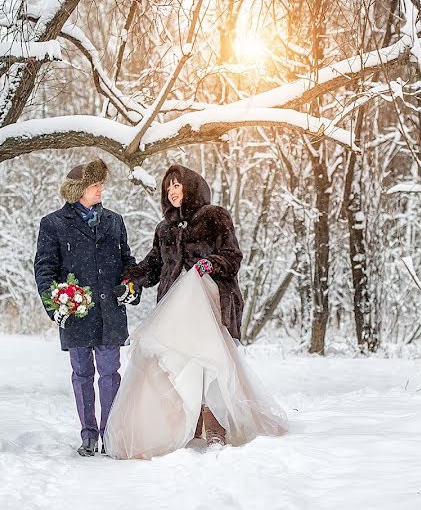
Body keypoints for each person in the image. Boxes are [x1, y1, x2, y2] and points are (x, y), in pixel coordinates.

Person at [103, 164, 287, 459]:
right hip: (174, 308)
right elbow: (154, 266)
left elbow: (232, 256)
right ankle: (184, 422)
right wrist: (130, 277)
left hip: (209, 299)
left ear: (191, 187)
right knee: (175, 360)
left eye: (177, 185)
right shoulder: (165, 229)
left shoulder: (214, 216)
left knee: (206, 358)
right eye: (168, 188)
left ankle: (215, 421)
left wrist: (210, 263)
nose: (172, 192)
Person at [34, 158, 139, 457]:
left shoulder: (114, 221)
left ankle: (109, 433)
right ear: (77, 190)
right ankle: (88, 435)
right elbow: (44, 269)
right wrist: (55, 304)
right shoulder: (53, 223)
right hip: (76, 312)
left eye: (101, 184)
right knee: (82, 374)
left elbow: (127, 262)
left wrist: (130, 286)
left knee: (110, 373)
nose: (100, 189)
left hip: (110, 311)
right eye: (95, 185)